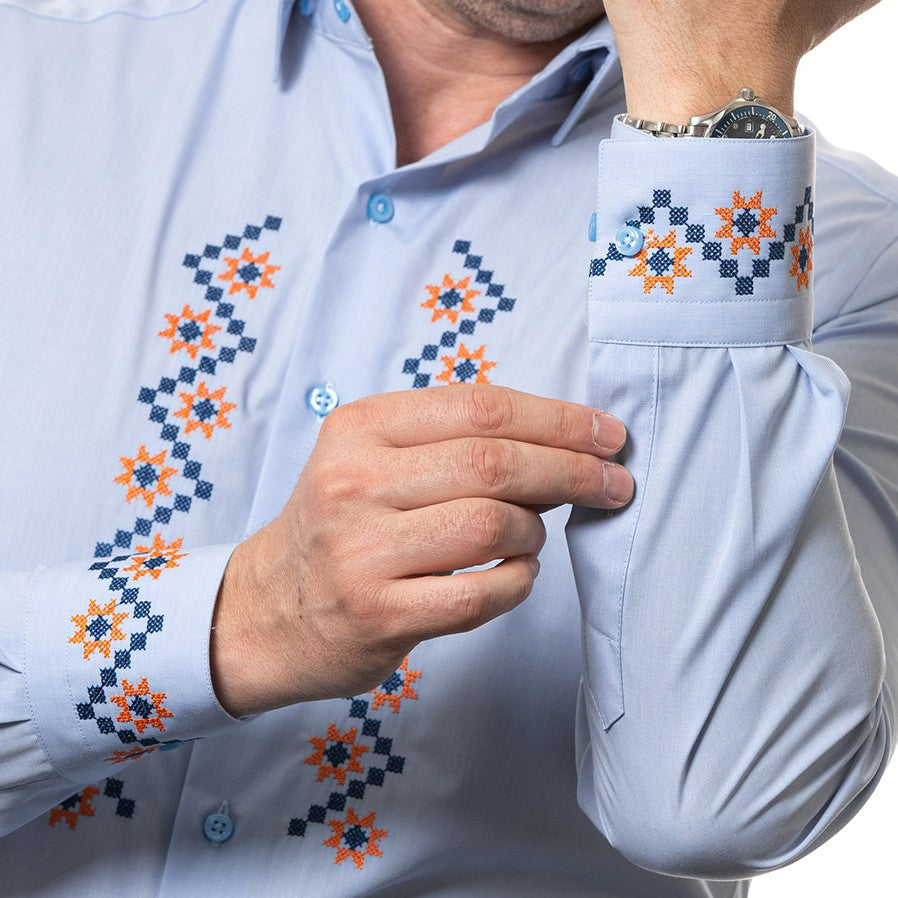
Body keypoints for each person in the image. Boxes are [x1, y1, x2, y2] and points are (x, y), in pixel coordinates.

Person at [1, 0, 896, 894]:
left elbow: (718, 806)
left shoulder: (859, 260)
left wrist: (715, 93)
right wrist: (243, 622)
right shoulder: (28, 61)